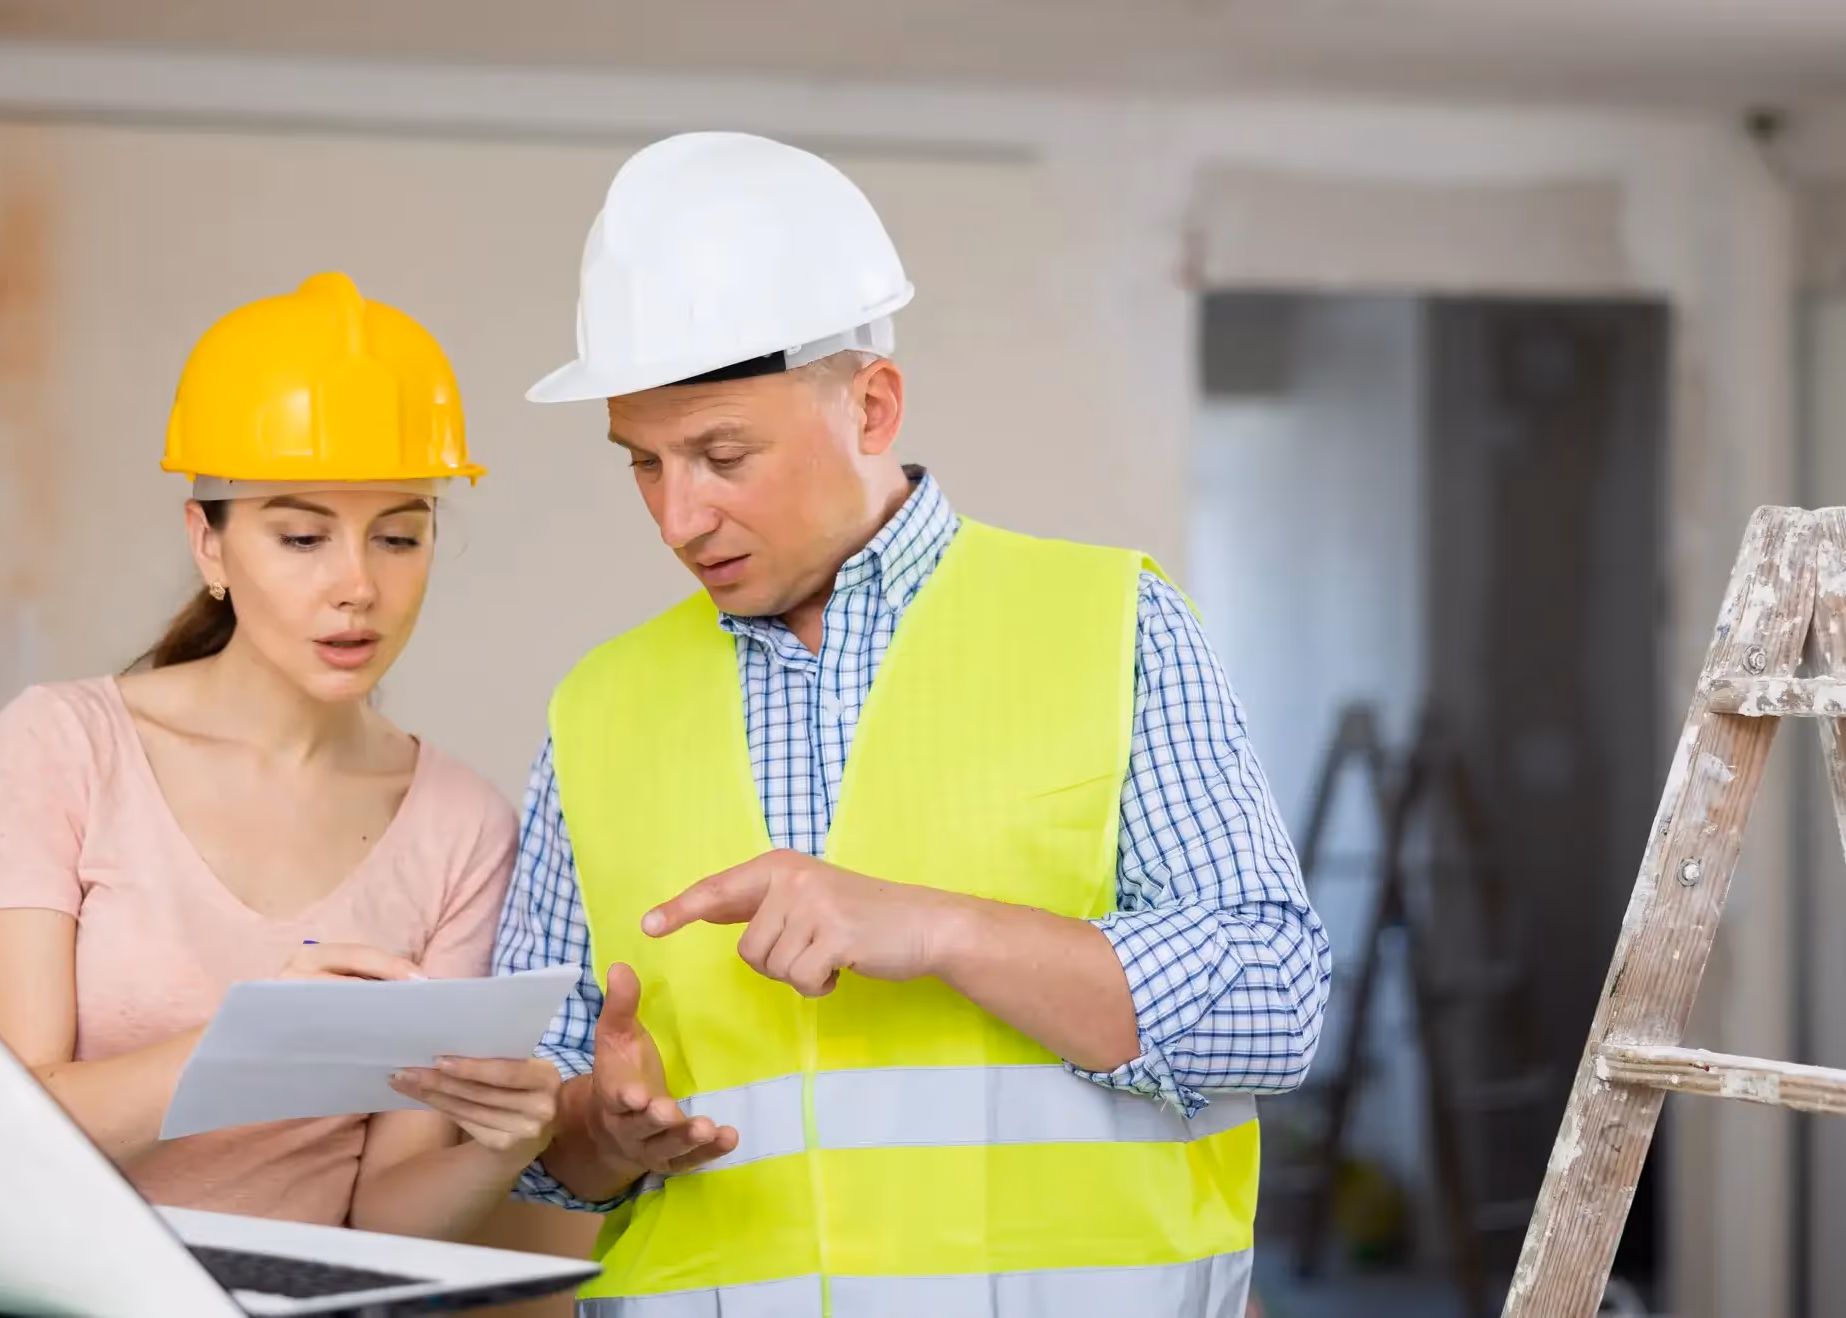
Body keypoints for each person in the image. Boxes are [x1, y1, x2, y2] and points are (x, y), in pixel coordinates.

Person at [495, 133, 1333, 1316]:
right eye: (643, 463)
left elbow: (1272, 1002)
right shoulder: (597, 706)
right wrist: (599, 1131)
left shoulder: (1107, 625)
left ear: (871, 405)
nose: (680, 516)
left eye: (720, 453)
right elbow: (539, 1131)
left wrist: (937, 929)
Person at [0, 272, 558, 1239]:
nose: (357, 585)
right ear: (209, 543)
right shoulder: (63, 744)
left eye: (399, 536)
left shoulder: (464, 826)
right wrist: (254, 1039)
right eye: (302, 536)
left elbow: (383, 1222)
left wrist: (513, 1142)